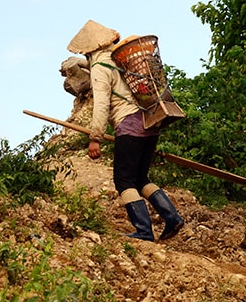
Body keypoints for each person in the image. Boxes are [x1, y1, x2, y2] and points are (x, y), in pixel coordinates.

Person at [67, 20, 184, 242]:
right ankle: (172, 218)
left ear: (90, 49)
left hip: (129, 125)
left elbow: (101, 103)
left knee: (124, 181)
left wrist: (95, 138)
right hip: (150, 121)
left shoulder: (100, 68)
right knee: (140, 178)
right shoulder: (124, 59)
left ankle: (143, 230)